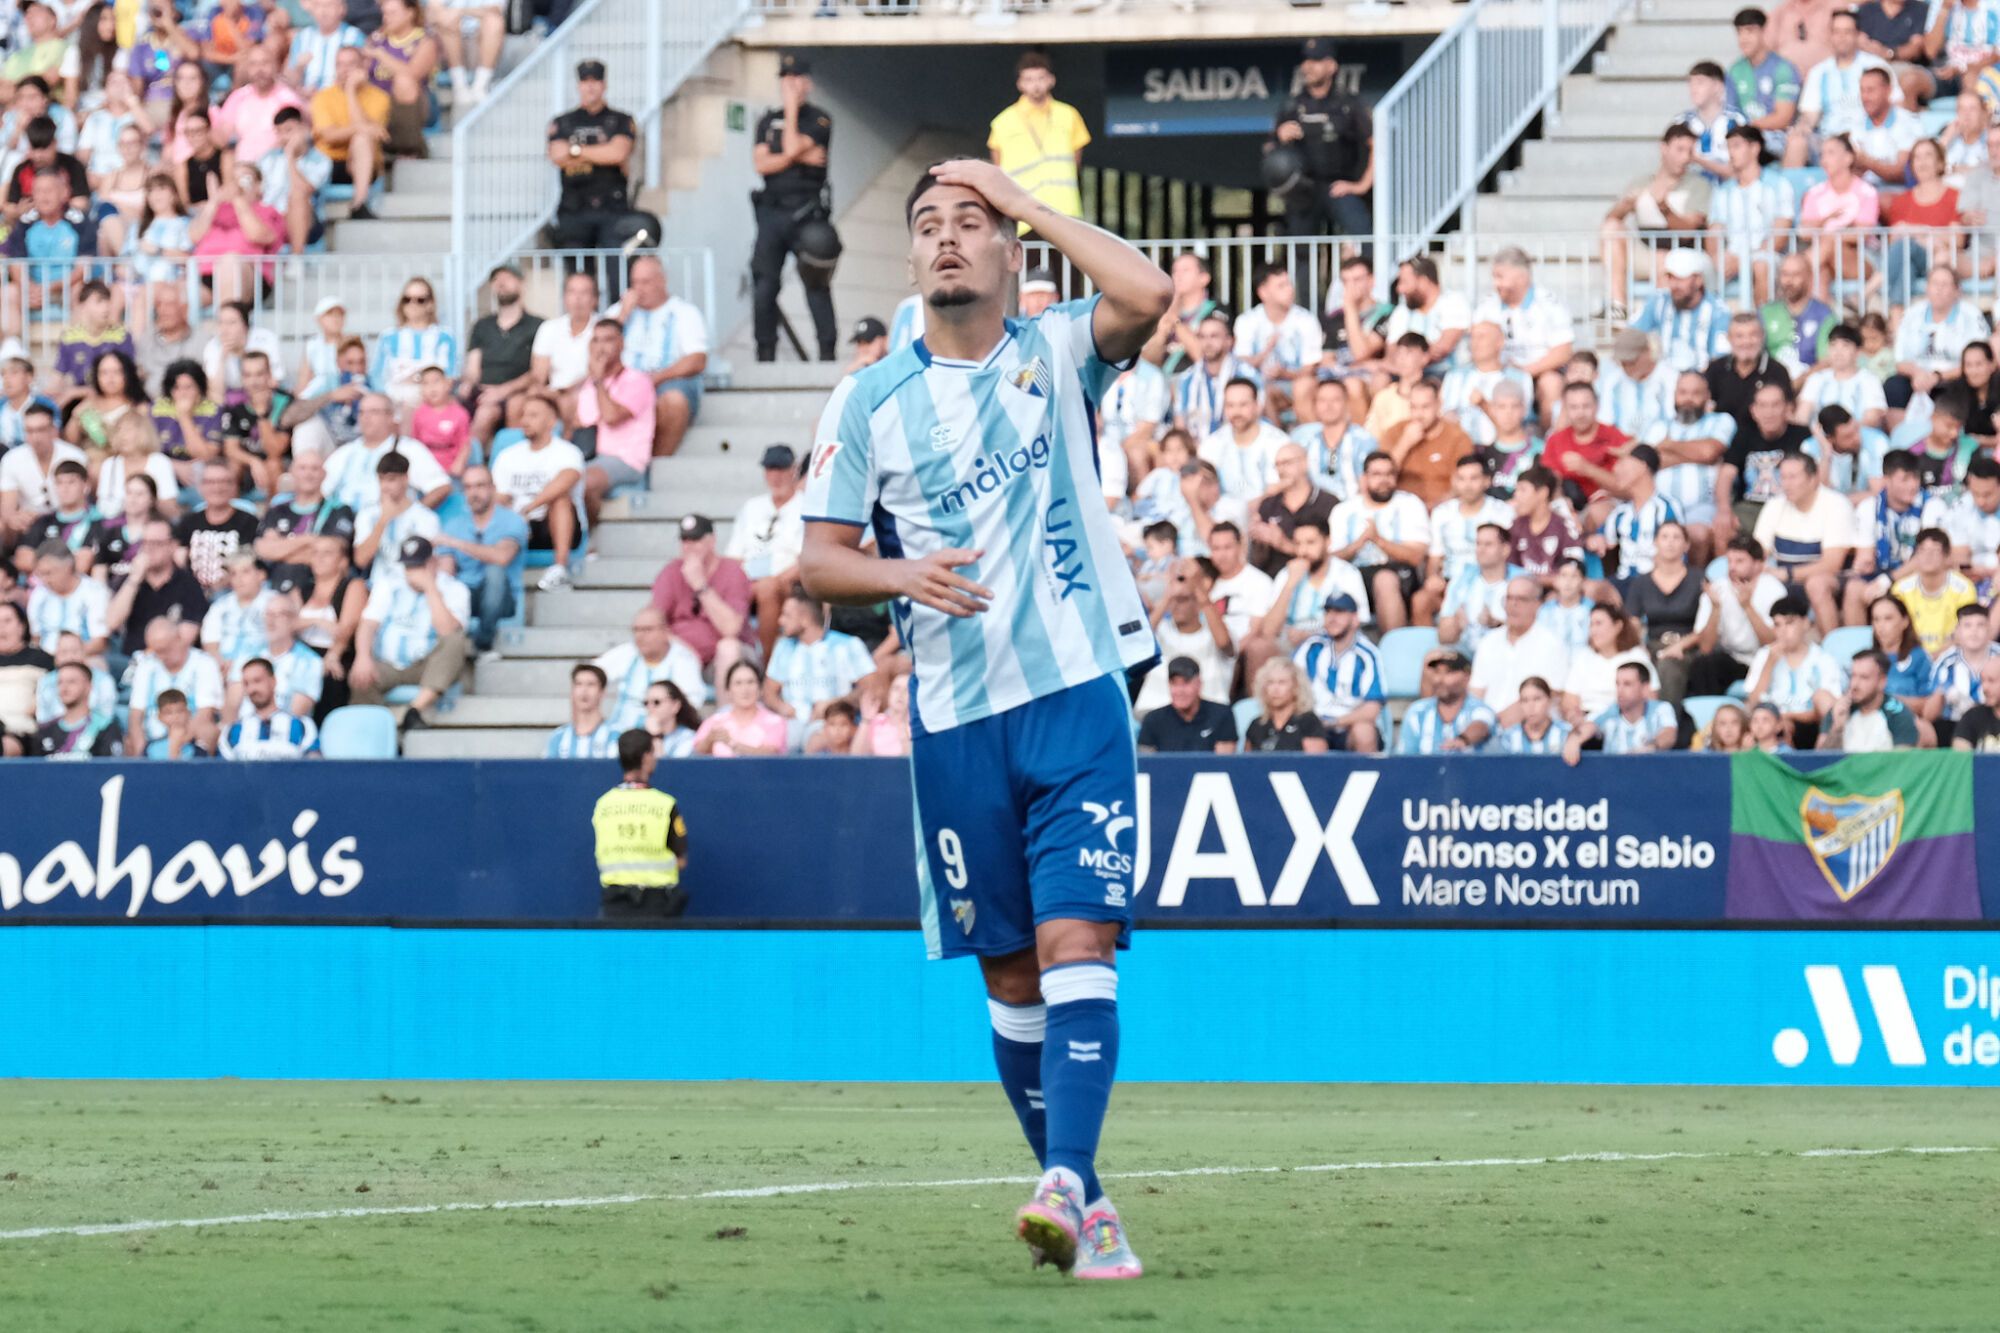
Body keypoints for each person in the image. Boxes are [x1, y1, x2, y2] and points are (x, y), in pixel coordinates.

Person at [797, 154, 1172, 1278]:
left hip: (1074, 696)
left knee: (1077, 941)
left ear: (1009, 251)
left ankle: (1060, 1175)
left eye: (971, 222)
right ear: (910, 257)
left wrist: (1024, 200)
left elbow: (1149, 294)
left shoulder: (1054, 352)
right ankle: (1085, 1201)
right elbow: (817, 560)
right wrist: (897, 579)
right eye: (929, 224)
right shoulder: (865, 399)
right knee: (1009, 976)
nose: (948, 237)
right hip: (955, 722)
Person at [751, 53, 836, 363]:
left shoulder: (820, 119)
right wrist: (798, 155)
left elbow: (787, 148)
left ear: (807, 83)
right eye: (784, 79)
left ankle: (827, 353)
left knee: (816, 281)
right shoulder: (765, 119)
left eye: (795, 79)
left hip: (807, 213)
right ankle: (764, 352)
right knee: (764, 285)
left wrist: (790, 114)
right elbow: (761, 163)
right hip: (772, 214)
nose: (789, 85)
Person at [349, 535, 469, 732]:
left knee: (455, 641)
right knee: (361, 676)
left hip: (426, 665)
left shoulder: (454, 589)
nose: (412, 572)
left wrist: (431, 588)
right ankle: (373, 732)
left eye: (418, 566)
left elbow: (448, 630)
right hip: (388, 663)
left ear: (432, 563)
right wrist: (362, 657)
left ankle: (414, 711)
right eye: (408, 566)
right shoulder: (388, 584)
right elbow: (368, 624)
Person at [1601, 124, 1713, 311]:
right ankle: (1617, 307)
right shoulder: (1641, 183)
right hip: (1648, 253)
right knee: (1611, 228)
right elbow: (1610, 219)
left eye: (1690, 152)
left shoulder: (1699, 186)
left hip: (1682, 253)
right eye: (1680, 150)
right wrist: (1625, 205)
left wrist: (1664, 208)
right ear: (1664, 148)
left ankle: (1664, 318)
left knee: (1667, 259)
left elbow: (1688, 232)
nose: (1686, 158)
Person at [1270, 37, 1372, 239]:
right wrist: (1281, 137)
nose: (1308, 67)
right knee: (1299, 251)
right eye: (1306, 61)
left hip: (1339, 186)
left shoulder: (1348, 104)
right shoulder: (1291, 105)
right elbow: (1269, 152)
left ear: (1331, 66)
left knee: (1365, 239)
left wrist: (1361, 185)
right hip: (1303, 190)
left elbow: (1376, 145)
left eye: (1315, 61)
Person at [488, 391, 583, 593]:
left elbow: (568, 478)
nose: (525, 421)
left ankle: (559, 569)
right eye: (524, 415)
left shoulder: (567, 452)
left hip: (549, 525)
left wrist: (527, 508)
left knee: (560, 500)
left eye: (533, 415)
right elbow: (500, 495)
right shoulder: (508, 456)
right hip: (516, 524)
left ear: (551, 422)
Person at [988, 50, 1090, 233]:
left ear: (1051, 80)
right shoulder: (1003, 122)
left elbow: (1076, 162)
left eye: (1040, 78)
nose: (1035, 85)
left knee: (1062, 262)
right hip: (1023, 218)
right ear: (1020, 84)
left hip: (1064, 212)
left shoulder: (1069, 115)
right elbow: (998, 169)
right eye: (1028, 80)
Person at [1329, 449, 1431, 630]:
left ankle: (1392, 648)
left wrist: (1378, 540)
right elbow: (1332, 559)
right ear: (1364, 478)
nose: (1384, 480)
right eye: (1376, 474)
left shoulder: (1410, 504)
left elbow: (1416, 556)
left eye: (1389, 474)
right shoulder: (1344, 511)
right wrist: (1359, 544)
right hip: (1355, 574)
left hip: (1400, 574)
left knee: (1384, 579)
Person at [617, 255, 708, 457]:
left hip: (664, 383)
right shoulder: (619, 313)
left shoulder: (685, 312)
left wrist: (655, 378)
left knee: (674, 401)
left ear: (662, 281)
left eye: (646, 282)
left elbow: (697, 359)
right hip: (622, 387)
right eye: (635, 283)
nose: (639, 289)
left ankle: (656, 465)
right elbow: (598, 351)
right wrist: (623, 317)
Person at [593, 728, 689, 918]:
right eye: (653, 752)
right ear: (645, 758)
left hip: (613, 904)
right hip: (657, 904)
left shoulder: (603, 804)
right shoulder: (664, 804)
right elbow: (681, 860)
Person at [651, 513, 753, 677]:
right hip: (684, 657)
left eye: (696, 540)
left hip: (729, 658)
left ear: (711, 541)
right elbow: (654, 622)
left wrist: (700, 586)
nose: (689, 546)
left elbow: (731, 629)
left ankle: (727, 704)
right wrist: (684, 652)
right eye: (685, 540)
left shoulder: (733, 571)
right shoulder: (671, 571)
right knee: (659, 648)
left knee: (728, 648)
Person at [1745, 593, 1845, 746]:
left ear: (1805, 623)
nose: (1783, 631)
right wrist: (1770, 663)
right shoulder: (1765, 655)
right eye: (1777, 625)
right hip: (1770, 728)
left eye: (1789, 623)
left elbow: (1830, 708)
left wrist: (1787, 717)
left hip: (1811, 726)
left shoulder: (1823, 659)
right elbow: (1752, 703)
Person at [1232, 263, 1323, 426]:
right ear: (1263, 292)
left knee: (1302, 387)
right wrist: (1265, 351)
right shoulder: (1247, 321)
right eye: (1281, 286)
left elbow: (1311, 369)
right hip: (1261, 387)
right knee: (1260, 391)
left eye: (1289, 284)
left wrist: (1284, 374)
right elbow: (1241, 363)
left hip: (1297, 385)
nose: (1290, 290)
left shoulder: (1306, 320)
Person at [764, 587, 872, 723]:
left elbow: (871, 689)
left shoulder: (848, 645)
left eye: (787, 615)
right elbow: (769, 693)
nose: (780, 621)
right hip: (792, 724)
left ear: (805, 619)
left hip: (833, 725)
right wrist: (783, 708)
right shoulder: (783, 646)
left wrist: (835, 704)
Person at [462, 264, 542, 447]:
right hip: (483, 392)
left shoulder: (537, 325)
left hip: (517, 392)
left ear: (521, 283)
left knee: (491, 412)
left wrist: (502, 391)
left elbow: (538, 372)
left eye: (507, 278)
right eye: (496, 280)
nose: (501, 283)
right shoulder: (482, 326)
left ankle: (478, 465)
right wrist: (468, 382)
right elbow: (473, 368)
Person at [1292, 592, 1383, 751]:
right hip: (1312, 724)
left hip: (1349, 726)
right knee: (1304, 733)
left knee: (1364, 731)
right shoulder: (1311, 647)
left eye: (1339, 612)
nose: (1332, 618)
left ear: (1355, 619)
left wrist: (1335, 722)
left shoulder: (1367, 654)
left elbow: (1372, 708)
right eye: (1328, 612)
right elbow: (1291, 687)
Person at [594, 606, 705, 732]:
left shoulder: (684, 660)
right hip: (618, 735)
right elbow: (590, 674)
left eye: (647, 630)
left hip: (664, 737)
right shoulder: (627, 652)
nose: (640, 636)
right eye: (636, 630)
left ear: (665, 632)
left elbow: (691, 703)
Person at [127, 612, 223, 756]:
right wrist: (142, 750)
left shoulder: (204, 663)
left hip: (190, 739)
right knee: (129, 738)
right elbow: (135, 715)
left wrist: (177, 743)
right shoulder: (146, 665)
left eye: (164, 650)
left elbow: (205, 714)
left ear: (179, 639)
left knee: (208, 730)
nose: (160, 657)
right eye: (156, 651)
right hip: (152, 740)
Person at [310, 45, 388, 218]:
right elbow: (329, 136)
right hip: (329, 162)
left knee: (361, 139)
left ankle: (359, 204)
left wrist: (351, 92)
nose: (344, 70)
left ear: (363, 66)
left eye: (351, 64)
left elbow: (369, 135)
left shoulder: (380, 97)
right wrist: (363, 127)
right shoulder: (323, 97)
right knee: (362, 134)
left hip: (364, 164)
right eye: (340, 64)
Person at [1563, 660, 1679, 763]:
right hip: (1613, 778)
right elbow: (1589, 727)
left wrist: (1651, 747)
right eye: (1617, 684)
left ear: (1645, 688)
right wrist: (1575, 740)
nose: (1620, 690)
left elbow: (1669, 734)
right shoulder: (1610, 712)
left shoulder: (1661, 709)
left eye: (1627, 684)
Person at [353, 450, 439, 585]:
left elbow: (427, 563)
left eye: (391, 479)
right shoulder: (367, 514)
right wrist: (382, 521)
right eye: (381, 479)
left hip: (413, 586)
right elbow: (361, 560)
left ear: (405, 478)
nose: (385, 486)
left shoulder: (426, 517)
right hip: (376, 588)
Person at [1561, 604, 1657, 723]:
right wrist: (1574, 717)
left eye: (1599, 623)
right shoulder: (1584, 656)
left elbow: (1650, 697)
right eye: (1591, 624)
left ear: (1618, 626)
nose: (1593, 630)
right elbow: (1569, 699)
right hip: (1586, 722)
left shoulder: (1637, 656)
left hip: (1622, 721)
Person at [1891, 526, 1978, 657]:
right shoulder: (1901, 589)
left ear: (1947, 556)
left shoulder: (1964, 589)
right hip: (1910, 658)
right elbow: (1894, 633)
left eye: (1935, 551)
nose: (1928, 556)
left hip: (1952, 657)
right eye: (1922, 550)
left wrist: (1933, 657)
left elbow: (1965, 635)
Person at [371, 278, 456, 412]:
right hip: (394, 402)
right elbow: (376, 377)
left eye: (420, 300)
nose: (412, 304)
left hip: (432, 403)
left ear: (430, 304)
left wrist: (417, 379)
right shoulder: (388, 336)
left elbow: (450, 375)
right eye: (407, 299)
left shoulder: (445, 336)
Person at [533, 271, 602, 426]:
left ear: (595, 299)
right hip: (553, 392)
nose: (577, 298)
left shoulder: (602, 328)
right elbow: (538, 374)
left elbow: (597, 372)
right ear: (564, 298)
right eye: (572, 292)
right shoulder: (549, 328)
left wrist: (564, 392)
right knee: (524, 404)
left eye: (584, 292)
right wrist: (544, 391)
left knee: (571, 401)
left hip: (587, 390)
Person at [1819, 647, 1922, 750]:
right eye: (1853, 676)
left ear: (1882, 682)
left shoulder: (1898, 713)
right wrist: (1837, 728)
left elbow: (1903, 761)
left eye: (1864, 677)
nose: (1854, 684)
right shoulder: (1839, 709)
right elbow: (1820, 761)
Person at [1437, 523, 1517, 654]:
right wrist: (1456, 626)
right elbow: (1443, 637)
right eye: (1478, 544)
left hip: (1506, 656)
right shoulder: (1460, 581)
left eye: (1488, 544)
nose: (1481, 549)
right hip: (1464, 656)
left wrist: (1497, 625)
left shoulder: (1521, 581)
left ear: (1505, 549)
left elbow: (1531, 632)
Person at [1397, 650, 1497, 754]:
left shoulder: (1480, 709)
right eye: (1437, 672)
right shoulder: (1417, 712)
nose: (1439, 679)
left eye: (1448, 672)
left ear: (1467, 676)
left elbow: (1481, 726)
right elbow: (1405, 756)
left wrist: (1463, 740)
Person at [220, 656, 318, 759]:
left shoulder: (303, 726)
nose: (252, 689)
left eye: (257, 681)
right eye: (246, 683)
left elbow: (314, 768)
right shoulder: (231, 731)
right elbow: (222, 771)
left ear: (273, 681)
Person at [1135, 654, 1236, 754]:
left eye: (1186, 683)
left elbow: (1224, 764)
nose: (1180, 691)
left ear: (1199, 684)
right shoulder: (1153, 720)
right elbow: (1147, 764)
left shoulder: (1221, 715)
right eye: (1174, 683)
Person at [693, 658, 788, 757]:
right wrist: (710, 739)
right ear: (728, 690)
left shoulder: (774, 721)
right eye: (738, 683)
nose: (745, 689)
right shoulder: (715, 721)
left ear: (760, 688)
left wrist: (733, 744)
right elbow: (697, 754)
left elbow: (770, 754)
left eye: (750, 682)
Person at [1240, 656, 1328, 753]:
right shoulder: (1256, 725)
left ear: (1296, 687)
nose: (1275, 689)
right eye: (1270, 682)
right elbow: (1247, 763)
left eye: (1282, 682)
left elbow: (1316, 763)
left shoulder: (1309, 722)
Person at [33, 659, 118, 758]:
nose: (64, 688)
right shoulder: (45, 730)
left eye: (72, 682)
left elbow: (111, 769)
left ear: (88, 686)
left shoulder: (105, 726)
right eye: (59, 682)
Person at [546, 661, 618, 759]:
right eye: (578, 684)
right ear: (572, 691)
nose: (584, 690)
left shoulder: (615, 736)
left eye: (591, 684)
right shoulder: (558, 738)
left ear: (602, 692)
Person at [1495, 674, 1572, 755]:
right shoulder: (1508, 737)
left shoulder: (1566, 734)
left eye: (1537, 699)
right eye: (1525, 700)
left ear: (1549, 700)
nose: (1531, 707)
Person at [1948, 652, 2000, 751]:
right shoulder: (1972, 717)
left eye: (1991, 681)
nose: (1984, 688)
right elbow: (1961, 758)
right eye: (1983, 681)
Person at [643, 680, 700, 759]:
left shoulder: (688, 738)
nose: (650, 707)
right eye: (646, 703)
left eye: (657, 702)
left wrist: (656, 737)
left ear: (675, 705)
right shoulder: (639, 737)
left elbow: (672, 768)